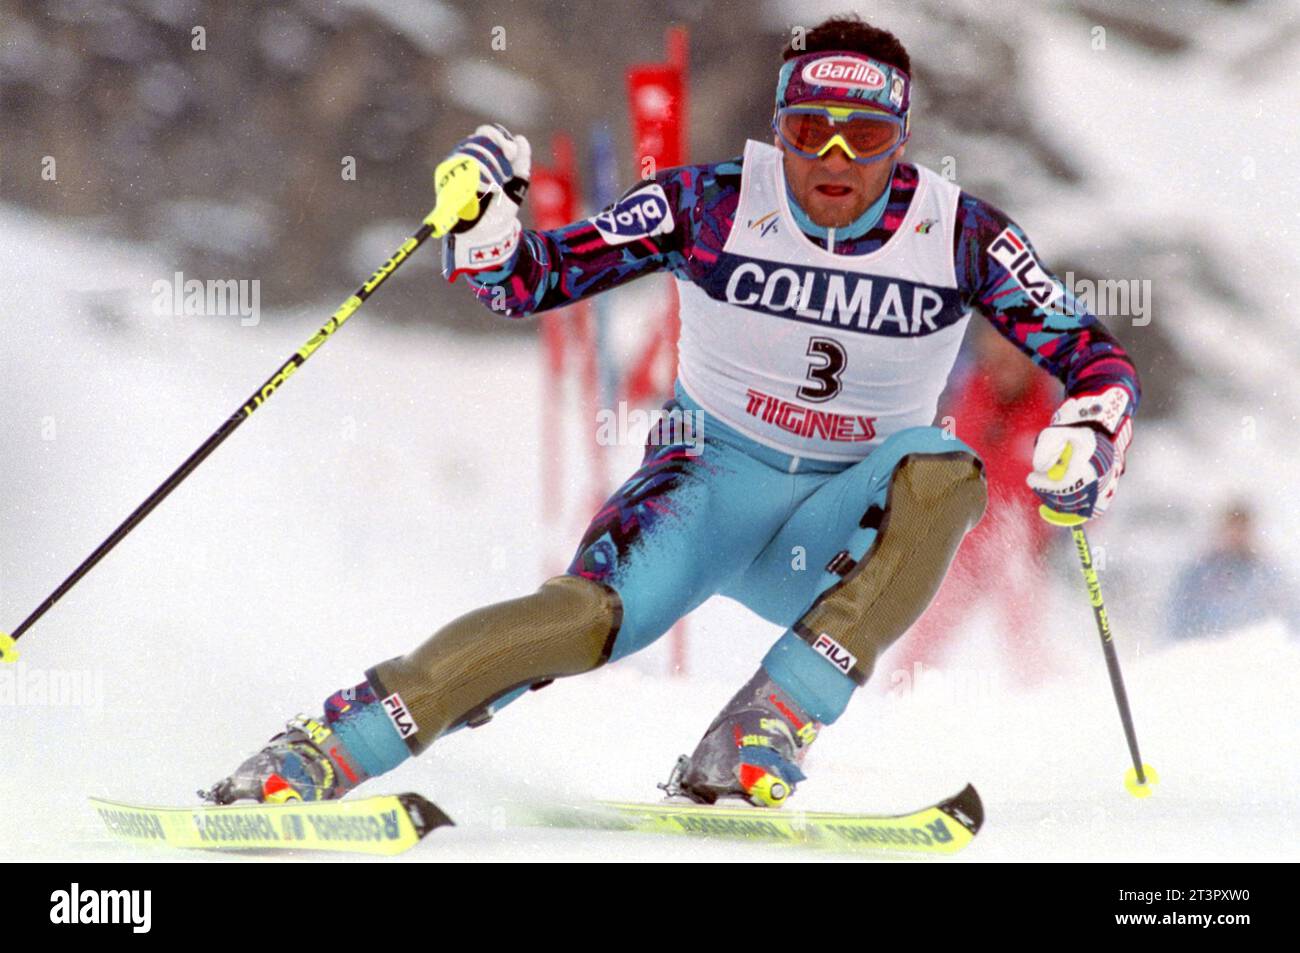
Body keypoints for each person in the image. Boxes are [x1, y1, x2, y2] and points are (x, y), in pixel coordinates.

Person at [206, 15, 1140, 809]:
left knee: (951, 471)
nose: (835, 157)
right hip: (706, 487)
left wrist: (1091, 435)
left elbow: (1091, 356)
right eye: (811, 129)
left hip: (844, 520)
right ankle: (326, 750)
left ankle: (762, 728)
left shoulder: (963, 233)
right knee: (582, 623)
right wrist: (487, 234)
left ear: (902, 138)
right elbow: (534, 278)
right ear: (780, 129)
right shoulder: (710, 203)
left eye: (864, 134)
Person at [891, 325, 1060, 687]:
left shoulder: (1052, 409)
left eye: (1016, 354)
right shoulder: (965, 393)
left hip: (1016, 543)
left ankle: (1043, 697)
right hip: (962, 538)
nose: (1006, 364)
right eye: (997, 352)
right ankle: (895, 697)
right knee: (928, 630)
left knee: (1024, 631)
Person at [1166, 503, 1299, 639]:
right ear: (1222, 530)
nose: (1237, 536)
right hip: (1207, 649)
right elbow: (1178, 617)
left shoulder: (1267, 574)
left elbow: (1288, 616)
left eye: (1242, 529)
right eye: (1233, 529)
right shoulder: (1198, 574)